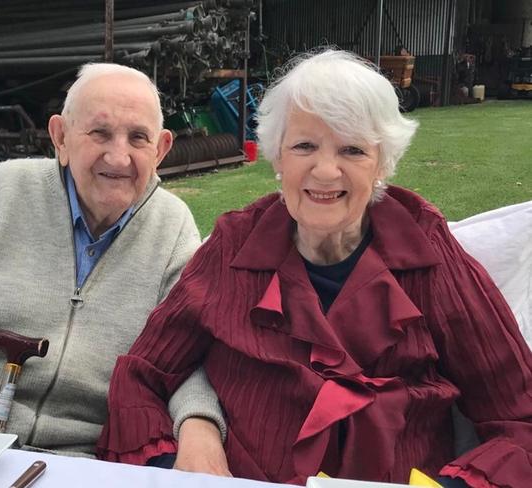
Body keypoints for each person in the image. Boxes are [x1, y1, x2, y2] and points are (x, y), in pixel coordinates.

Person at [97, 50, 532, 487]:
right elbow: (144, 374)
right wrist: (176, 470)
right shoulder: (234, 247)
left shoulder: (428, 252)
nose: (325, 171)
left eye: (353, 149)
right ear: (278, 158)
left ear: (382, 164)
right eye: (305, 146)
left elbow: (518, 414)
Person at [0, 63, 228, 461]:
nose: (118, 157)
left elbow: (185, 361)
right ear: (60, 137)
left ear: (161, 149)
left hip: (83, 464)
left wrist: (200, 427)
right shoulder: (5, 192)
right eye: (100, 132)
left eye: (138, 138)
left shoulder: (172, 227)